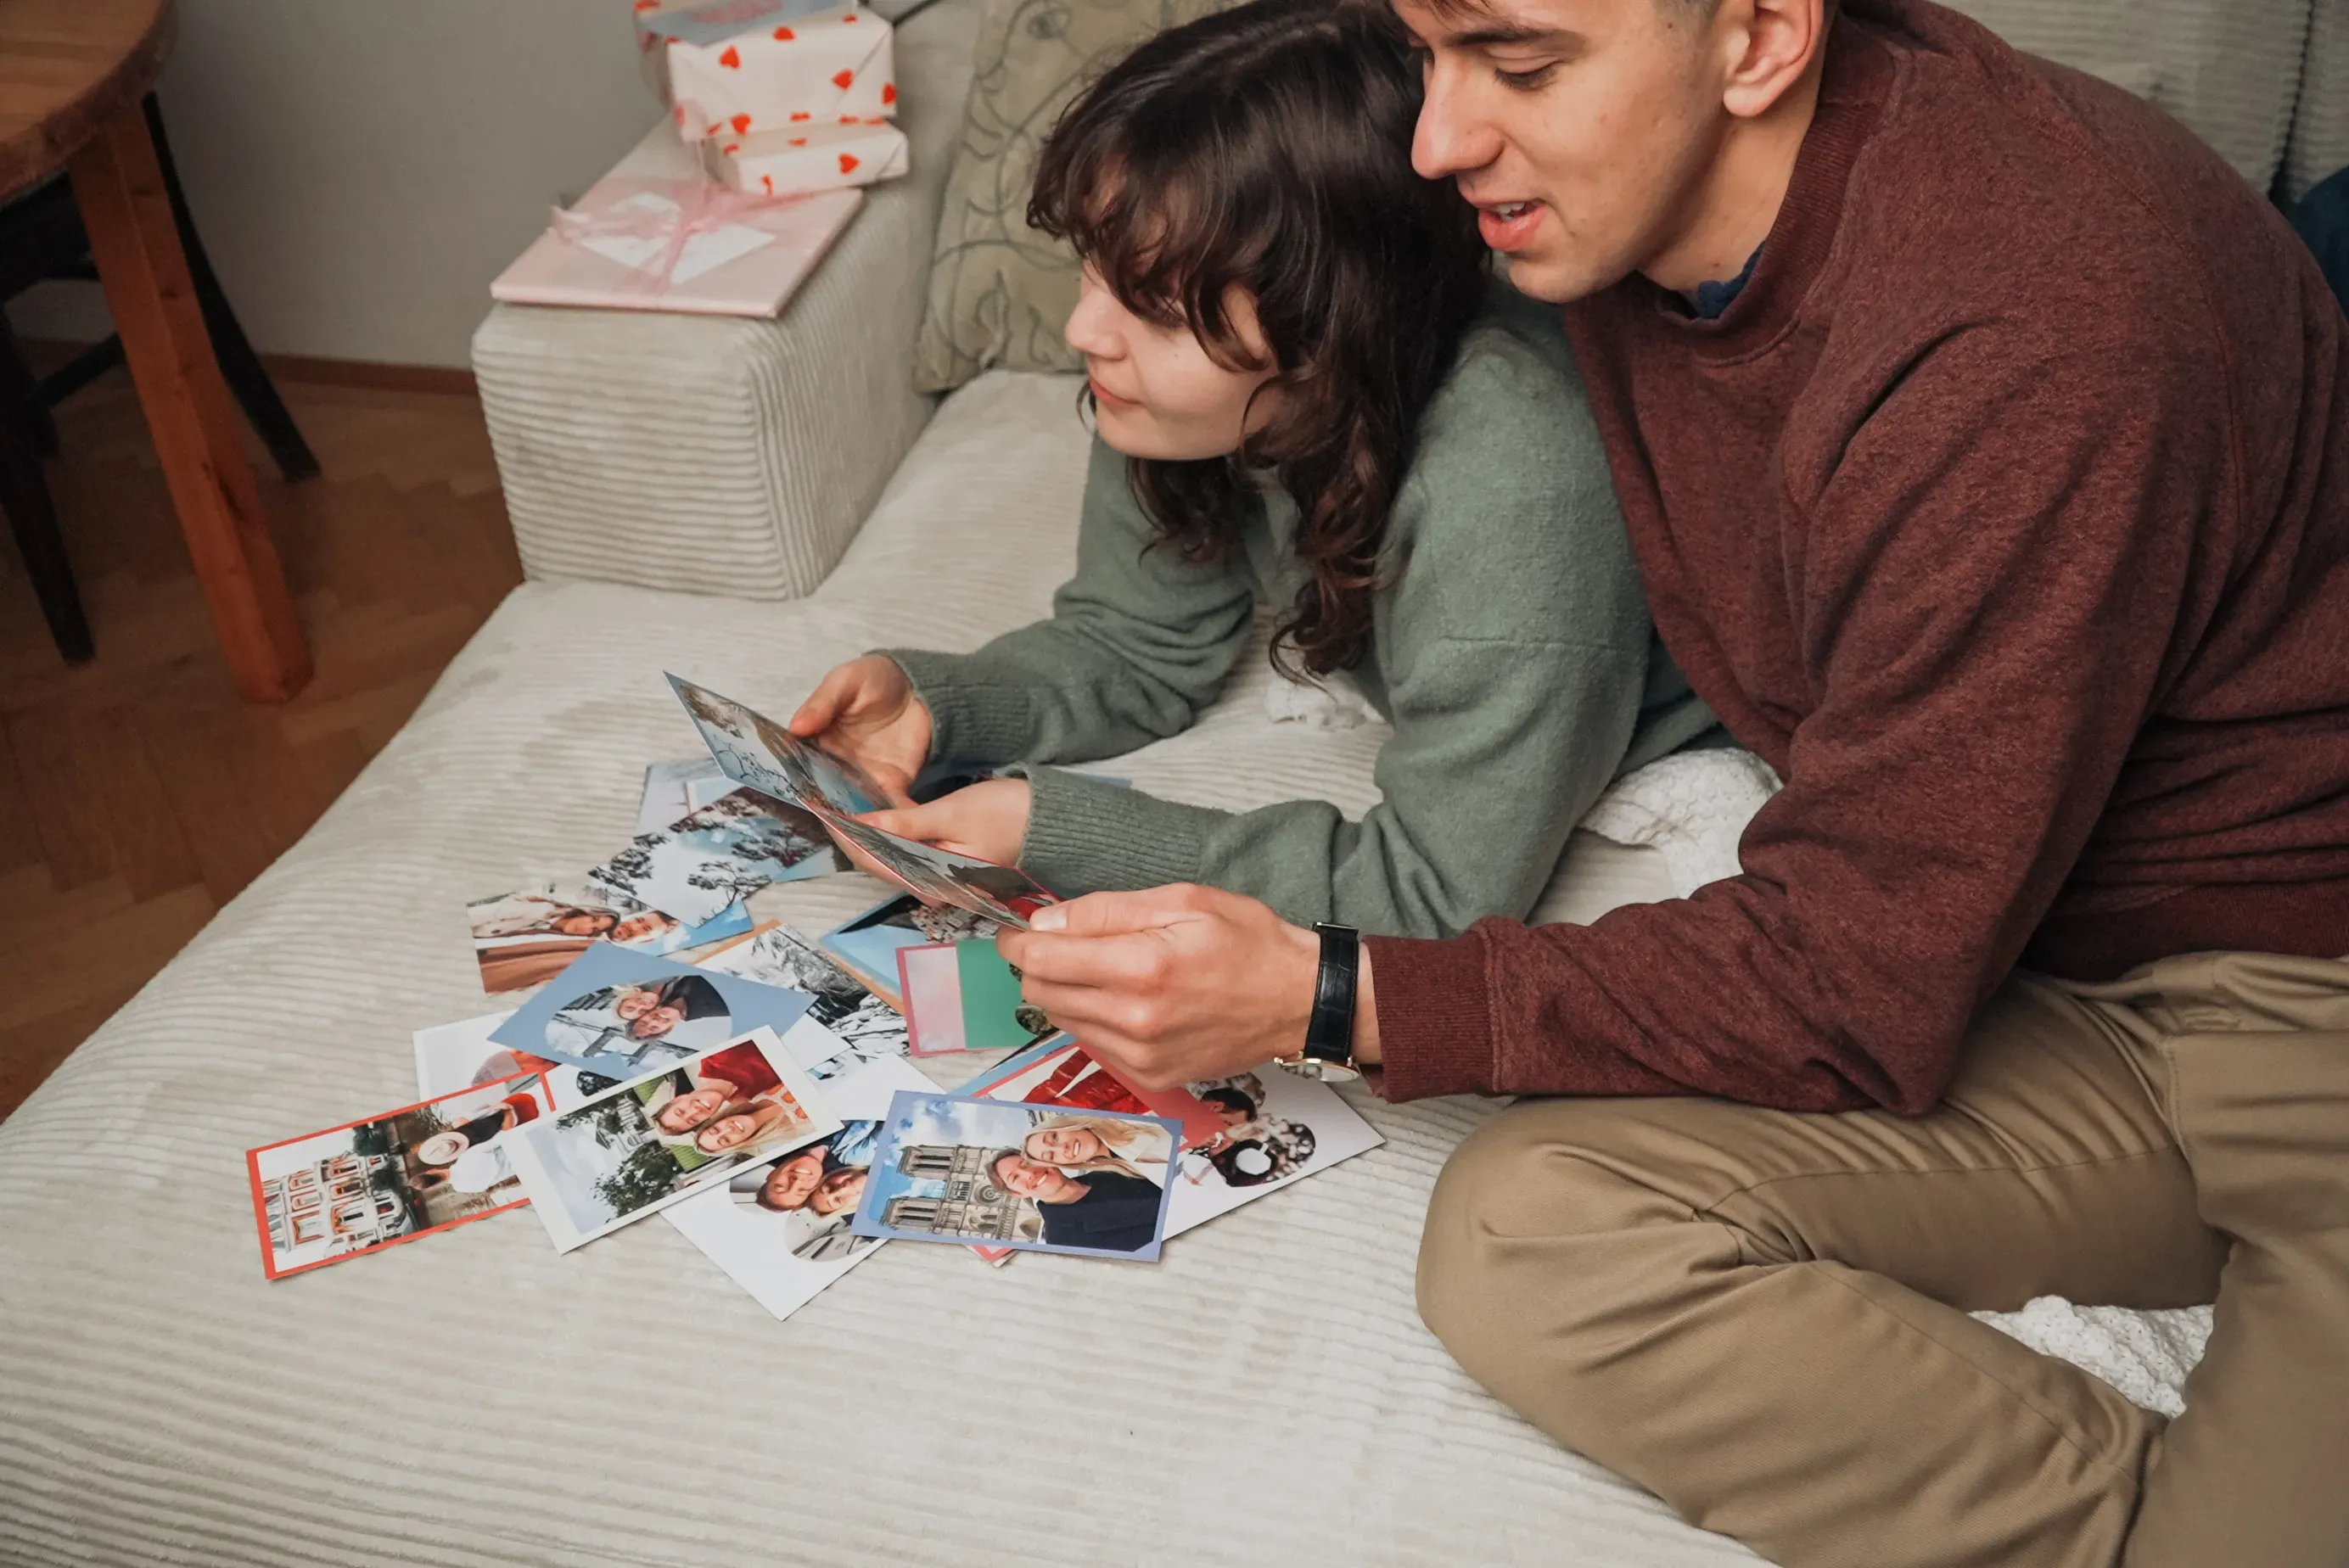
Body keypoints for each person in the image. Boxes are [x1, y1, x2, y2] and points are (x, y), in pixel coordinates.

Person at [995, 0, 2349, 1562]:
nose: (1436, 139)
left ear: (1760, 37)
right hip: (2039, 977)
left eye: (1513, 64)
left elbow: (1848, 978)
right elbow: (1257, 308)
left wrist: (1329, 993)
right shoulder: (1601, 211)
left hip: (2300, 999)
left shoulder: (2028, 325)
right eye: (1429, 51)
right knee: (1525, 1233)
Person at [788, 0, 1713, 943]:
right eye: (1093, 272)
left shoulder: (1516, 489)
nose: (1082, 333)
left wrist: (1053, 830)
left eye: (1152, 308)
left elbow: (1437, 898)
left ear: (1327, 331)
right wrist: (938, 705)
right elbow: (1136, 642)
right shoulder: (1176, 405)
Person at [987, 1150, 1165, 1255]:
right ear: (1017, 1193)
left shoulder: (1106, 1168)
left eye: (1026, 1164)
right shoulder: (1063, 1242)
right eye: (1015, 1177)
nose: (1030, 1173)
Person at [1022, 1114, 1170, 1178]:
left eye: (1054, 1138)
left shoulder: (1127, 1118)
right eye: (1052, 1156)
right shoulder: (1125, 1169)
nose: (1062, 1148)